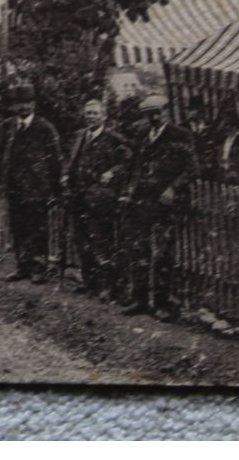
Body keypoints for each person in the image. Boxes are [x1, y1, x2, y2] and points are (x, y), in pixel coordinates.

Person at [118, 92, 198, 319]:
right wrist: (127, 193)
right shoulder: (142, 134)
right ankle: (140, 300)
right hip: (142, 200)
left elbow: (192, 169)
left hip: (166, 202)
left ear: (166, 112)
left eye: (157, 113)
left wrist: (173, 187)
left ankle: (162, 303)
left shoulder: (180, 135)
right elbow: (133, 167)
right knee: (138, 249)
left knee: (163, 253)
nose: (153, 118)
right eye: (148, 114)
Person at [60, 98, 130, 298]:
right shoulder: (78, 137)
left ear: (104, 116)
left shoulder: (114, 139)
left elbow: (128, 162)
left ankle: (106, 285)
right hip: (79, 197)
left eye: (95, 113)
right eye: (88, 113)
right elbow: (68, 159)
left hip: (100, 199)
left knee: (101, 240)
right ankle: (89, 281)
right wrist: (65, 174)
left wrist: (112, 172)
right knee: (81, 240)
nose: (91, 117)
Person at [0, 88, 62, 283]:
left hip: (37, 187)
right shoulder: (8, 126)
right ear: (14, 105)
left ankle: (39, 267)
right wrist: (0, 181)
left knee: (38, 228)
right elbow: (1, 155)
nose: (23, 107)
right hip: (14, 186)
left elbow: (55, 159)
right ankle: (22, 266)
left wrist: (54, 188)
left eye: (27, 102)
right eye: (19, 103)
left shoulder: (44, 128)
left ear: (34, 104)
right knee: (18, 227)